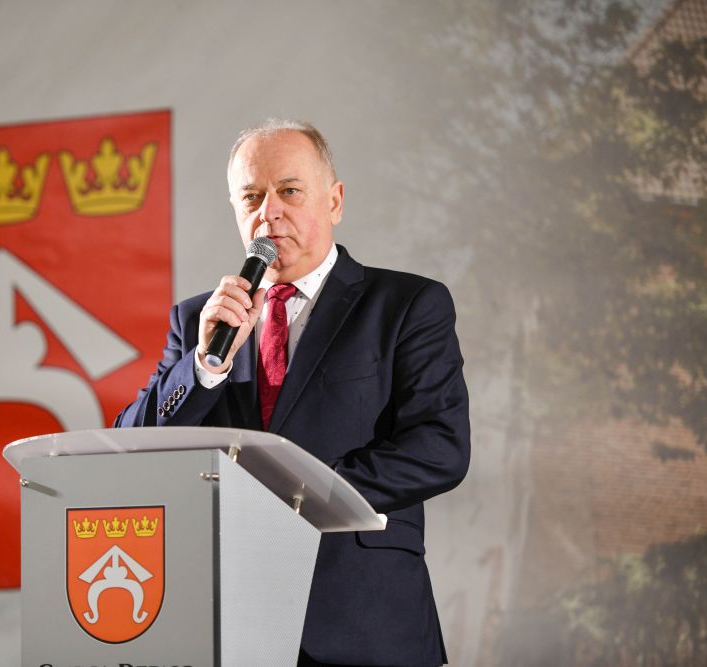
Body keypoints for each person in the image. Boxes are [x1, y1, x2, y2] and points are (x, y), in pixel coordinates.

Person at [114, 119, 470, 666]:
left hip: (365, 619)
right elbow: (129, 445)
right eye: (251, 197)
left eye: (289, 190)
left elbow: (440, 448)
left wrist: (299, 494)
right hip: (231, 623)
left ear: (335, 201)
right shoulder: (199, 320)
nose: (269, 212)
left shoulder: (405, 305)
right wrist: (204, 365)